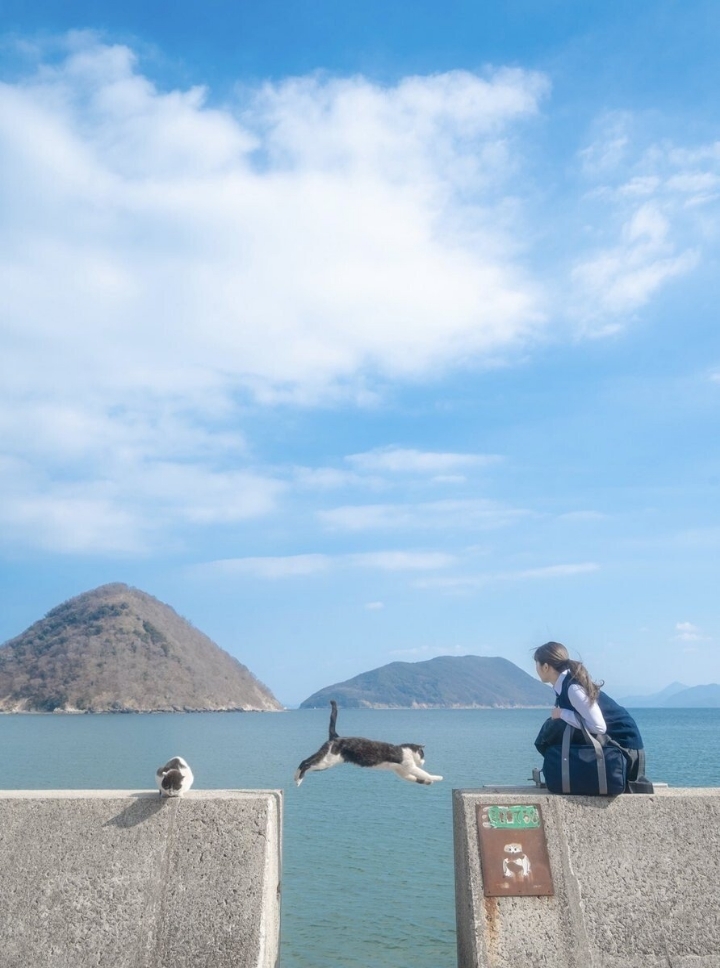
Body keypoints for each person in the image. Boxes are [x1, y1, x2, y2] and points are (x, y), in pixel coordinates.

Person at [533, 641, 646, 785]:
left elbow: (599, 727)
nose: (535, 668)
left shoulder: (573, 688)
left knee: (555, 726)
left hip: (626, 751)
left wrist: (562, 713)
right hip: (615, 748)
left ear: (546, 666)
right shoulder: (565, 685)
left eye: (536, 663)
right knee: (554, 726)